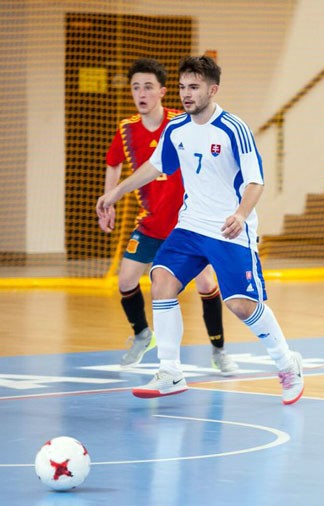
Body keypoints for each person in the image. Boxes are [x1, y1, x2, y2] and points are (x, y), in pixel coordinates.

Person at [96, 55, 304, 404]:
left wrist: (240, 214)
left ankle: (287, 363)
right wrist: (115, 192)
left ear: (212, 89)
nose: (186, 94)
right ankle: (170, 371)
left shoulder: (233, 129)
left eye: (193, 87)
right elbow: (153, 166)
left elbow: (256, 181)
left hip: (229, 229)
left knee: (240, 305)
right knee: (161, 279)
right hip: (190, 226)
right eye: (181, 87)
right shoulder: (176, 130)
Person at [100, 58, 239, 375]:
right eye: (136, 87)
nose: (141, 93)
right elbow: (113, 163)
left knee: (206, 283)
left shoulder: (182, 124)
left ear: (163, 91)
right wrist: (109, 201)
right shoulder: (126, 130)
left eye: (148, 86)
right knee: (125, 279)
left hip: (188, 225)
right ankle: (142, 335)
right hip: (151, 223)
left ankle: (219, 349)